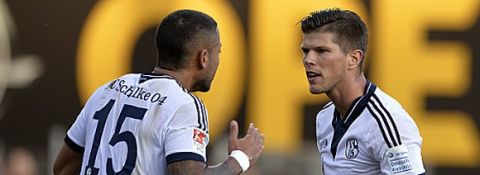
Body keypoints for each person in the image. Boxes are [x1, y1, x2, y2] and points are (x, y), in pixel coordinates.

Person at [53, 9, 264, 175]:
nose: (218, 61)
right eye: (218, 52)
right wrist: (240, 159)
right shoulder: (184, 104)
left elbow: (62, 169)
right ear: (204, 57)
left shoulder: (109, 89)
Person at [299, 8, 425, 174]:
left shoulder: (386, 121)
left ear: (354, 59)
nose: (309, 60)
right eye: (306, 51)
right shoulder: (325, 117)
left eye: (322, 51)